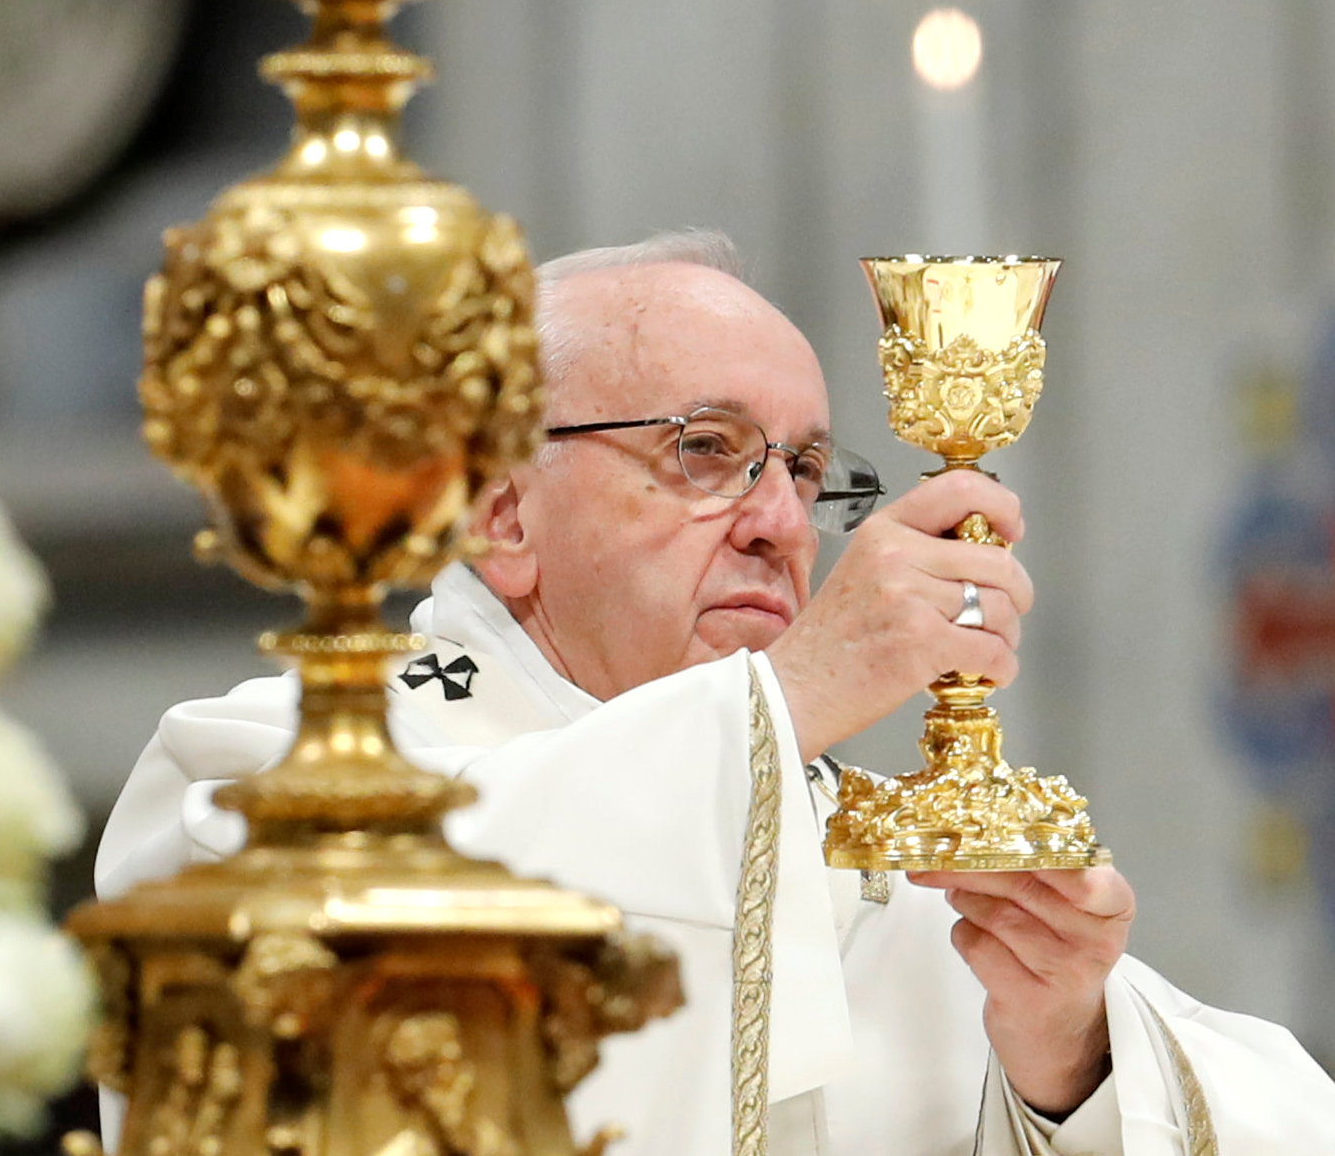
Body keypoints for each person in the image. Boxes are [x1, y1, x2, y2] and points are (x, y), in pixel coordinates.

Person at [96, 232, 1335, 1155]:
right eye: (705, 449)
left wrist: (1070, 1060)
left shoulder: (869, 862)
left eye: (803, 468)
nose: (784, 524)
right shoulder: (258, 777)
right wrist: (786, 694)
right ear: (497, 508)